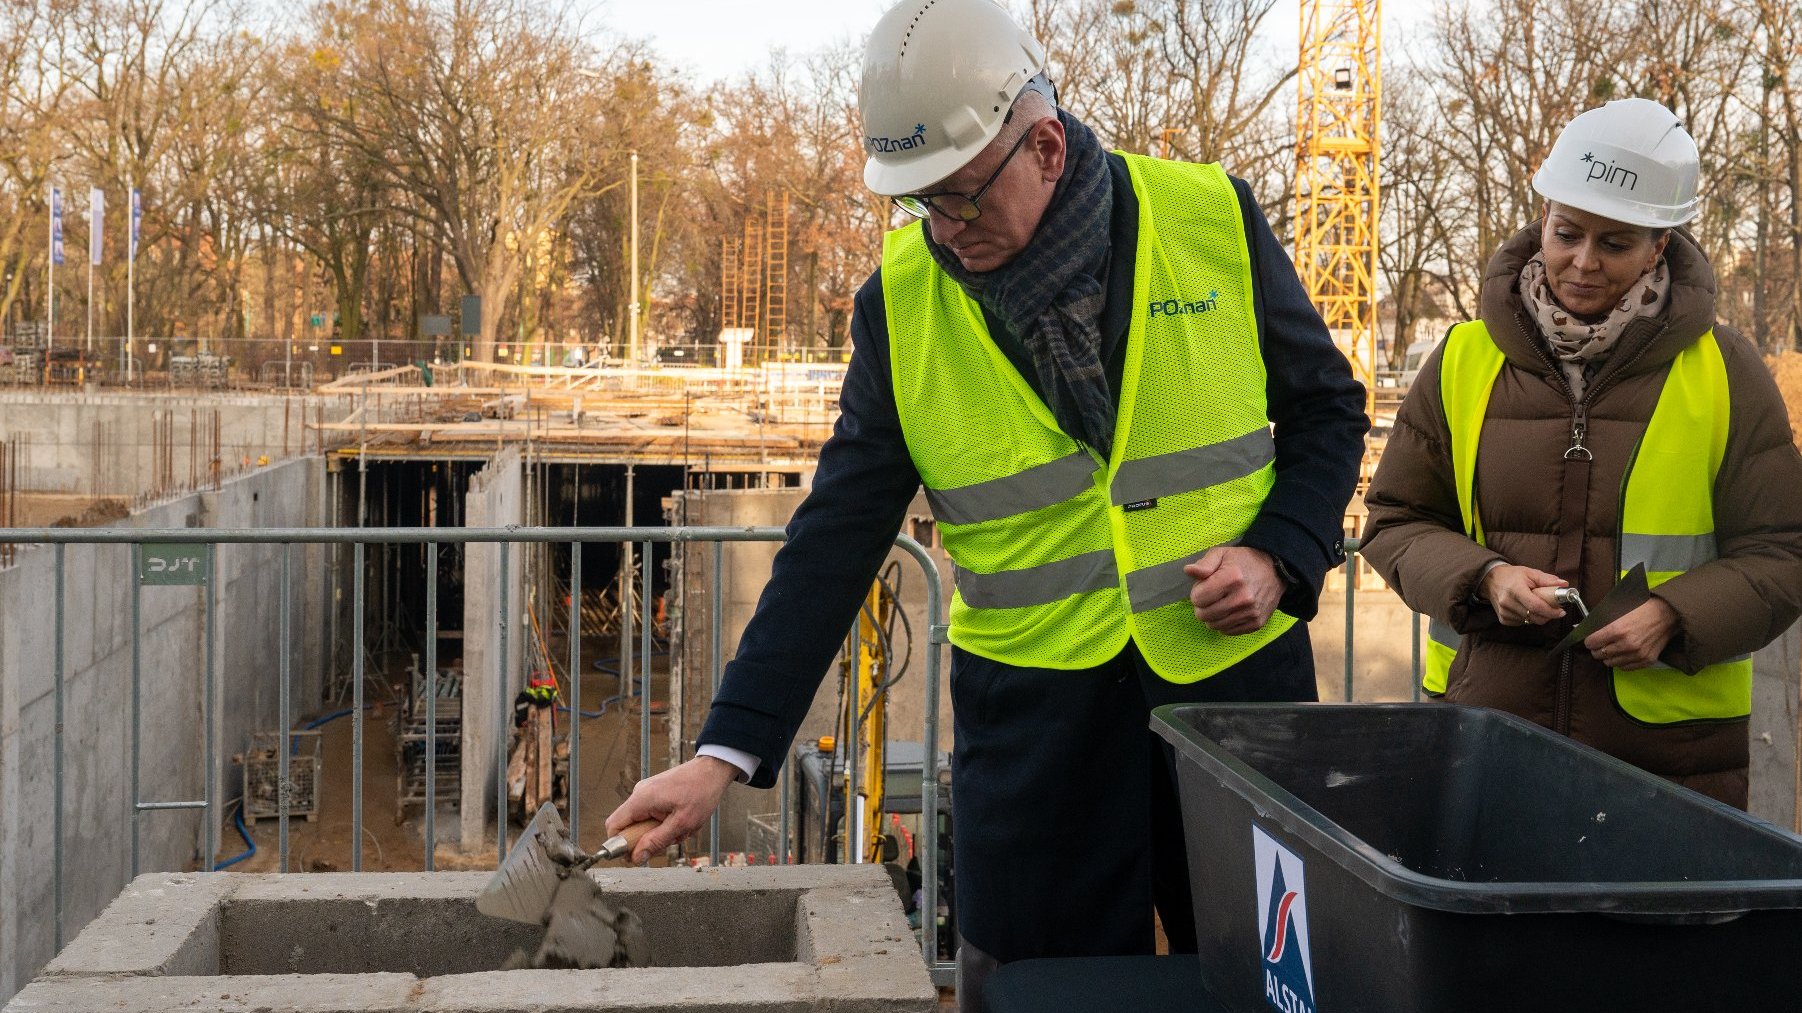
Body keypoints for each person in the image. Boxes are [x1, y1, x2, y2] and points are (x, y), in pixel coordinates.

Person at [605, 0, 1366, 1004]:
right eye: (920, 204)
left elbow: (1325, 411)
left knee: (1273, 980)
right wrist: (723, 752)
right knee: (1039, 986)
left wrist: (1277, 554)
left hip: (1232, 702)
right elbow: (836, 534)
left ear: (1043, 147)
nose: (945, 232)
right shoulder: (901, 300)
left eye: (959, 199)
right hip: (1036, 728)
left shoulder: (1207, 218)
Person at [1360, 98, 1802, 808]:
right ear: (1543, 218)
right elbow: (1393, 521)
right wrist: (1485, 577)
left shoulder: (1724, 371)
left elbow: (1784, 550)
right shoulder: (1462, 360)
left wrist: (1673, 614)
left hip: (1670, 765)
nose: (1583, 262)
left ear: (1660, 245)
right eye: (1567, 233)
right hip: (1486, 738)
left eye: (1616, 243)